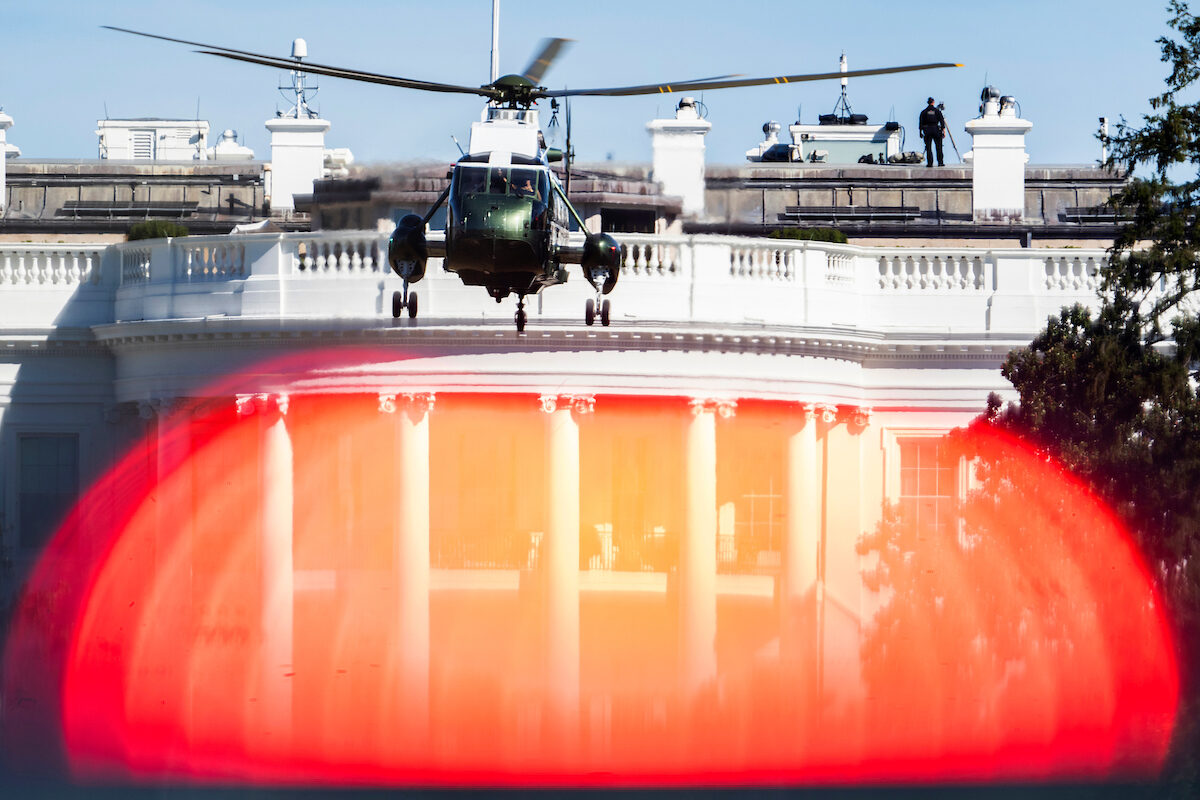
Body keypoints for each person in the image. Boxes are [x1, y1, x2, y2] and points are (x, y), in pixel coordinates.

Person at [919, 97, 947, 167]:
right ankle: (940, 162)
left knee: (928, 147)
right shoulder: (937, 111)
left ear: (927, 102)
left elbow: (921, 123)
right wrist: (944, 131)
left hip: (927, 130)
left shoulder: (924, 112)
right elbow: (942, 121)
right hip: (936, 129)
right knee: (939, 147)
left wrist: (920, 132)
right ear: (933, 102)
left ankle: (930, 163)